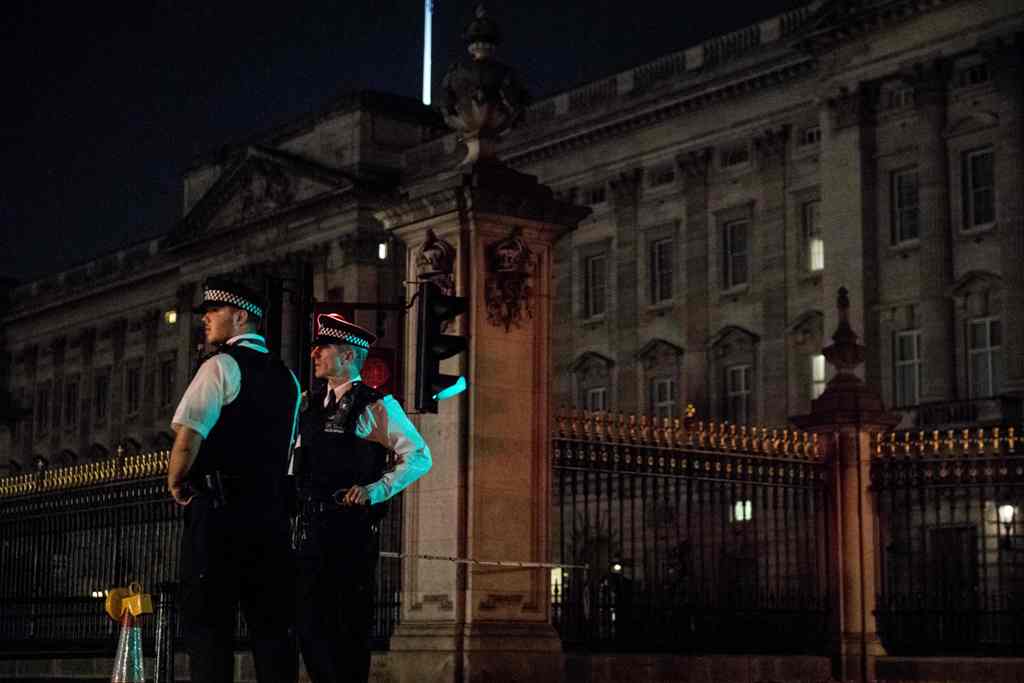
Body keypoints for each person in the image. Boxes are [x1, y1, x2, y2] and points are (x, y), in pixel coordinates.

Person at [166, 277, 301, 683]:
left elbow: (188, 435)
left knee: (209, 627)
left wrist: (176, 480)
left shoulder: (220, 365)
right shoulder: (288, 377)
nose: (205, 319)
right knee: (272, 629)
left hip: (220, 516)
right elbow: (290, 450)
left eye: (213, 312)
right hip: (271, 519)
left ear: (241, 316)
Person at [293, 312, 431, 683]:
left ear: (349, 356)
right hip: (309, 530)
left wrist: (373, 491)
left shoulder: (375, 404)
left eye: (324, 348)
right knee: (308, 627)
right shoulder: (308, 406)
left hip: (349, 531)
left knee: (346, 631)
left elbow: (419, 456)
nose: (315, 355)